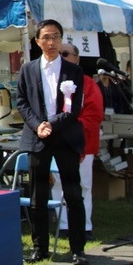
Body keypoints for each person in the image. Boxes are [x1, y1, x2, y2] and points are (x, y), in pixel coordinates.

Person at [16, 19, 89, 265]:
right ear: (37, 41)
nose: (51, 42)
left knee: (73, 193)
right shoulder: (28, 69)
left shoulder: (74, 71)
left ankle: (78, 248)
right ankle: (40, 248)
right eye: (46, 37)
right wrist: (38, 125)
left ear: (61, 40)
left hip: (65, 136)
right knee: (38, 194)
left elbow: (75, 107)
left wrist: (52, 124)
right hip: (37, 138)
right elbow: (22, 102)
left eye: (56, 37)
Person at [53, 43, 105, 240]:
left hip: (81, 142)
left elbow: (94, 115)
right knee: (58, 184)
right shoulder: (50, 80)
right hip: (56, 142)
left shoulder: (88, 84)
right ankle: (63, 225)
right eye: (59, 54)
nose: (62, 57)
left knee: (82, 186)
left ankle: (84, 225)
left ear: (77, 58)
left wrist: (70, 130)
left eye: (65, 53)